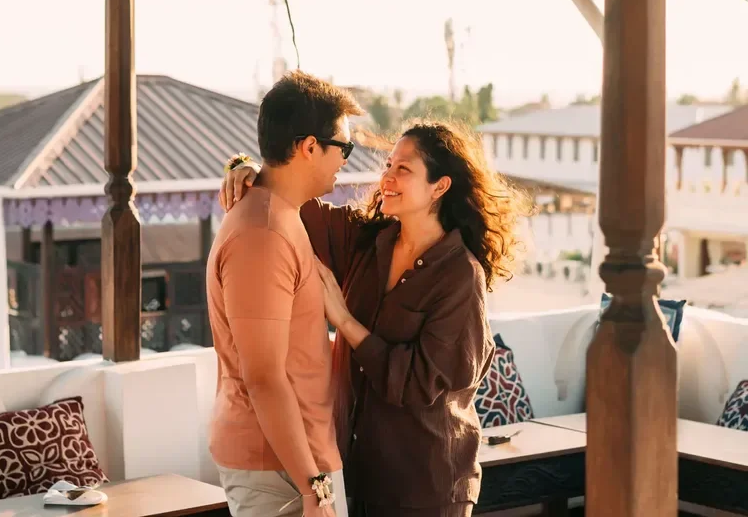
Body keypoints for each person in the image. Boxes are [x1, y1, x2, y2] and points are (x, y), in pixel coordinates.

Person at [221, 120, 531, 516]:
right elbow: (295, 196)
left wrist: (345, 322)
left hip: (426, 485)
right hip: (358, 473)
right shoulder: (368, 240)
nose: (387, 176)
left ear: (440, 187)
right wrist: (246, 168)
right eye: (388, 164)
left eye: (404, 168)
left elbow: (419, 383)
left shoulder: (459, 276)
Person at [206, 70, 362, 517]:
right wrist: (313, 487)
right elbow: (263, 376)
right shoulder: (264, 234)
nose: (345, 160)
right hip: (281, 467)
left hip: (296, 459)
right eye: (343, 148)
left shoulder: (281, 214)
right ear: (309, 147)